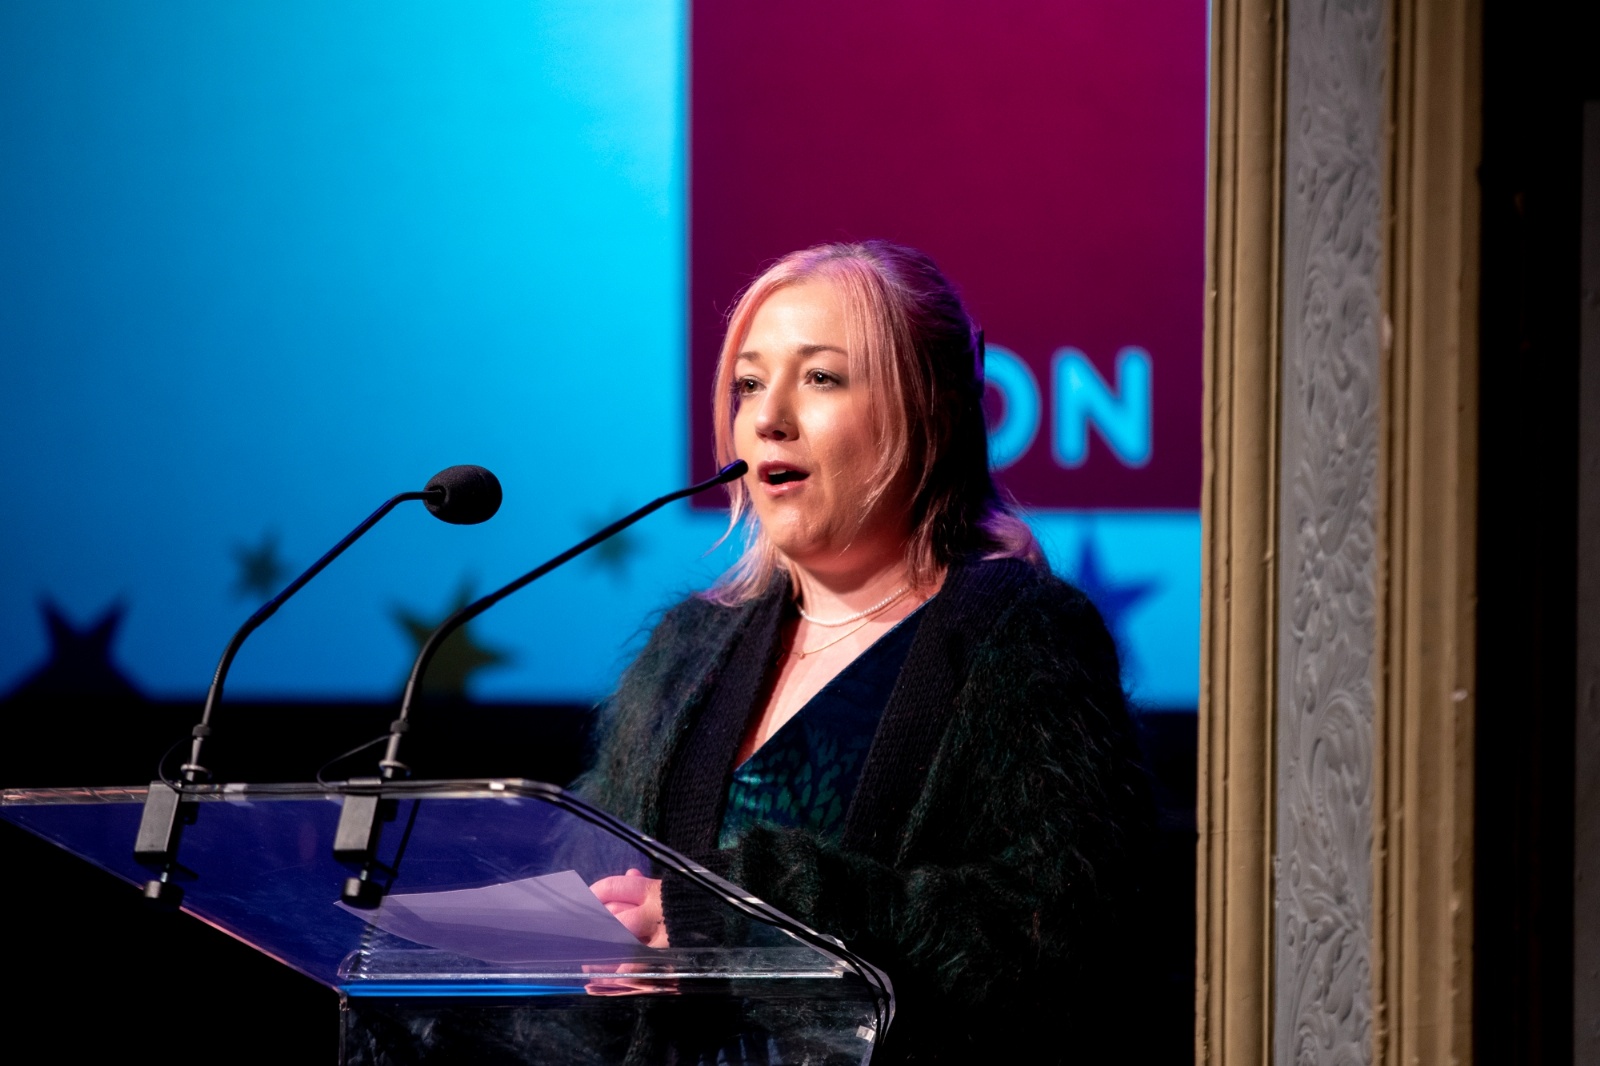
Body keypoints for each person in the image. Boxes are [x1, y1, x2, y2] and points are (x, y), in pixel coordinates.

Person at [579, 240, 1152, 1062]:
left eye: (821, 378)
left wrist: (744, 910)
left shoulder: (1019, 639)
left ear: (932, 408)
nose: (768, 418)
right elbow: (596, 897)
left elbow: (1056, 941)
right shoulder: (687, 651)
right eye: (749, 383)